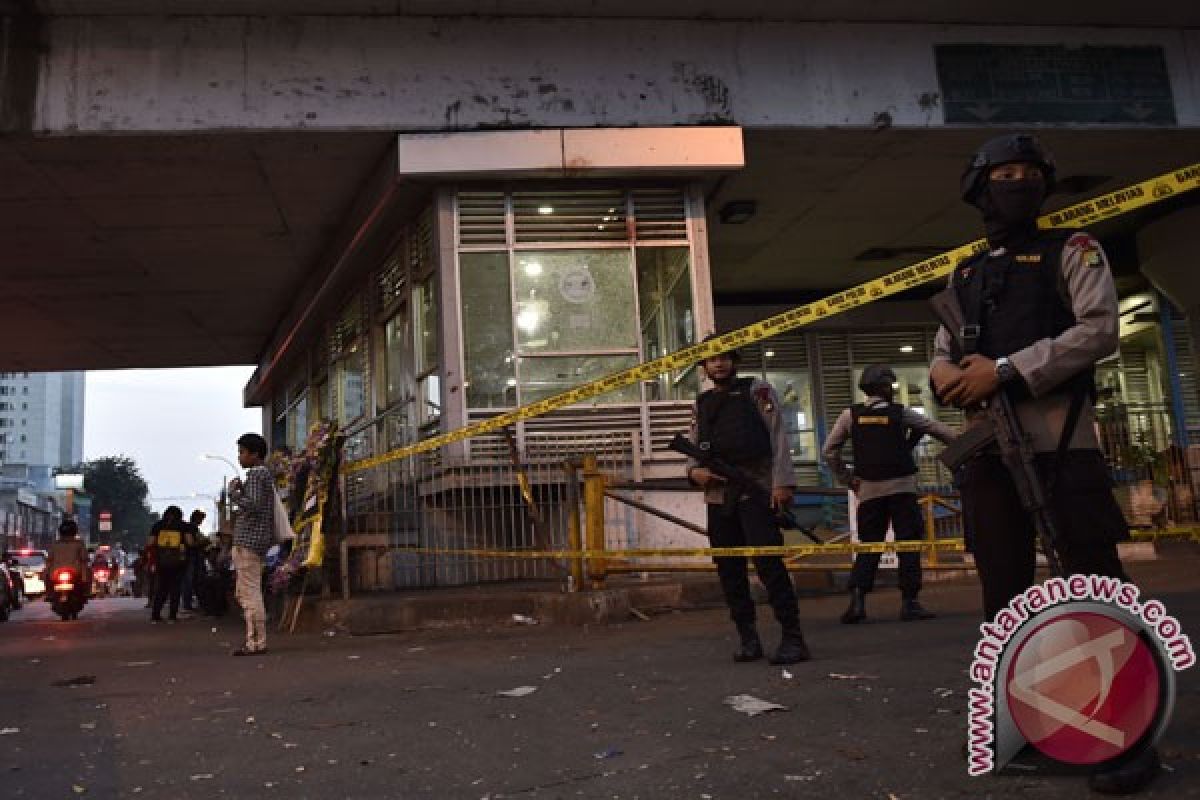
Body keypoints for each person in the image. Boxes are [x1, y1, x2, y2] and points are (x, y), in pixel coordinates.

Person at [929, 133, 1153, 795]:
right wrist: (950, 376)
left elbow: (1100, 330)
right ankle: (1030, 720)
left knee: (1093, 588)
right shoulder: (965, 274)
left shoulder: (1074, 250)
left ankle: (1130, 733)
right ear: (980, 188)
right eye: (1004, 173)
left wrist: (1004, 371)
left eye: (1028, 172)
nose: (1017, 182)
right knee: (1005, 596)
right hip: (990, 453)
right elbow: (941, 348)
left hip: (1061, 445)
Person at [685, 335, 810, 665]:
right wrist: (693, 472)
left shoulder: (757, 389)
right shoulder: (702, 402)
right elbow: (694, 444)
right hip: (718, 494)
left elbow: (779, 435)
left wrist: (783, 484)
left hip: (757, 485)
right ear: (704, 367)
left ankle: (793, 638)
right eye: (712, 359)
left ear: (735, 360)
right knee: (729, 568)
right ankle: (748, 638)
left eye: (725, 357)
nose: (719, 363)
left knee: (769, 564)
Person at [822, 364, 957, 623]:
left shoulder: (850, 415)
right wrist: (966, 441)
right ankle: (910, 603)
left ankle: (858, 602)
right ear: (886, 388)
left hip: (869, 492)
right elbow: (935, 428)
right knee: (908, 545)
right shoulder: (900, 413)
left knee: (869, 547)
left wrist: (848, 480)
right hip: (903, 489)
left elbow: (829, 451)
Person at [228, 432, 274, 656]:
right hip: (254, 541)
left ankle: (256, 641)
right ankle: (255, 639)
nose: (239, 457)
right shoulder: (262, 474)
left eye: (242, 452)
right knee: (246, 592)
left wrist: (233, 494)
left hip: (249, 541)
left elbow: (253, 505)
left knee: (249, 593)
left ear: (255, 454)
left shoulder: (256, 474)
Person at [148, 506, 191, 623]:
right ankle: (172, 616)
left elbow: (150, 542)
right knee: (175, 588)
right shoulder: (183, 526)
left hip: (161, 561)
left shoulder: (158, 525)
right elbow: (190, 542)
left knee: (162, 587)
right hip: (179, 561)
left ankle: (155, 616)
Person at [46, 517, 89, 611]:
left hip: (56, 572)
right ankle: (86, 592)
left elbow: (49, 559)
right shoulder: (79, 544)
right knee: (87, 573)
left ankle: (49, 594)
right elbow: (84, 558)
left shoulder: (55, 544)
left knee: (47, 577)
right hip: (75, 571)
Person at [179, 509, 208, 612]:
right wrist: (205, 542)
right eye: (201, 519)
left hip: (189, 557)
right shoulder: (192, 527)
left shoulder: (191, 527)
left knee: (189, 580)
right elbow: (191, 543)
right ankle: (187, 604)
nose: (202, 521)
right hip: (191, 557)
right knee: (189, 581)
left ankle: (188, 603)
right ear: (197, 518)